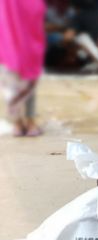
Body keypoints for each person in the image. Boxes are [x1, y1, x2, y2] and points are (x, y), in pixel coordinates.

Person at [0, 0, 46, 137]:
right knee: (29, 74)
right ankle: (29, 122)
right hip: (25, 33)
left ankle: (18, 123)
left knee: (10, 77)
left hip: (7, 33)